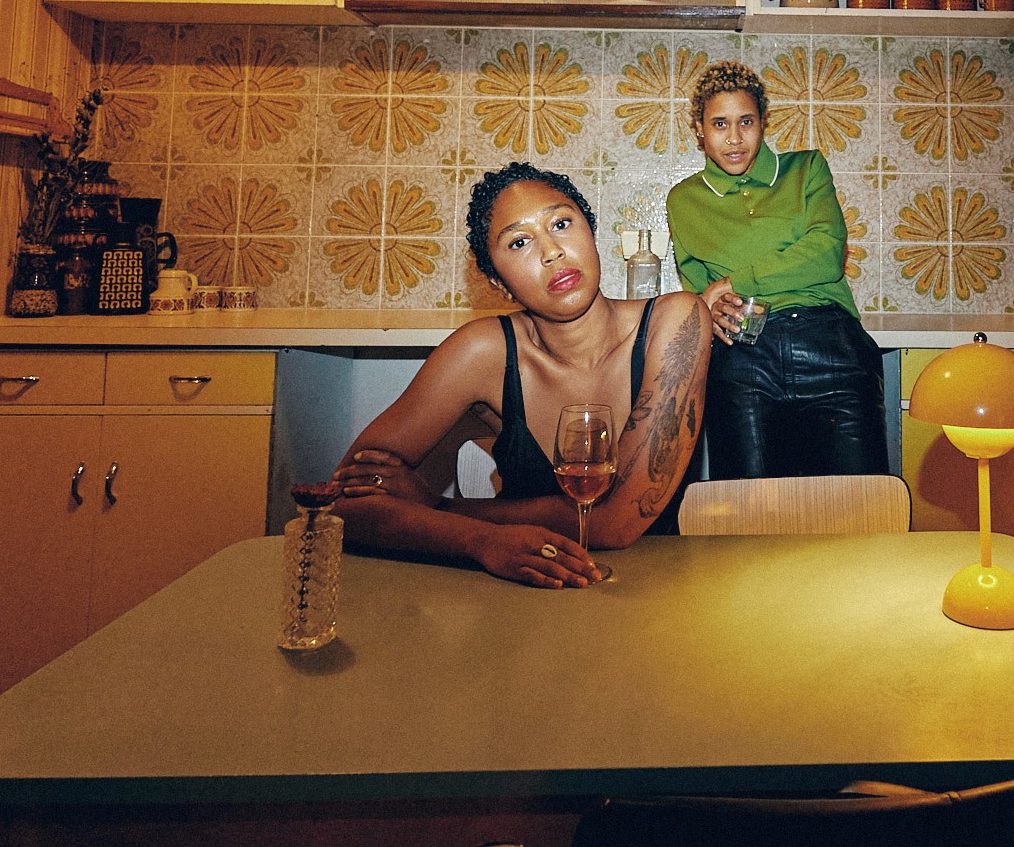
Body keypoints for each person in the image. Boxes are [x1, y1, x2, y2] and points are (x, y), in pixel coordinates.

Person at [331, 162, 710, 588]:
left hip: (658, 594)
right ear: (499, 281)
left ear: (591, 232)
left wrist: (440, 508)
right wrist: (480, 542)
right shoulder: (482, 352)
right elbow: (340, 503)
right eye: (519, 242)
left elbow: (616, 525)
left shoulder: (677, 321)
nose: (552, 251)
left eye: (562, 223)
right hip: (520, 601)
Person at [665, 61, 888, 479]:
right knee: (751, 521)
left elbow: (825, 252)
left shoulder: (806, 170)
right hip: (744, 356)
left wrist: (736, 281)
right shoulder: (684, 199)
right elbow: (704, 291)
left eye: (746, 121)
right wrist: (708, 308)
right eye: (719, 124)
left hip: (831, 345)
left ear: (764, 122)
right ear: (699, 128)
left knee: (863, 510)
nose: (734, 138)